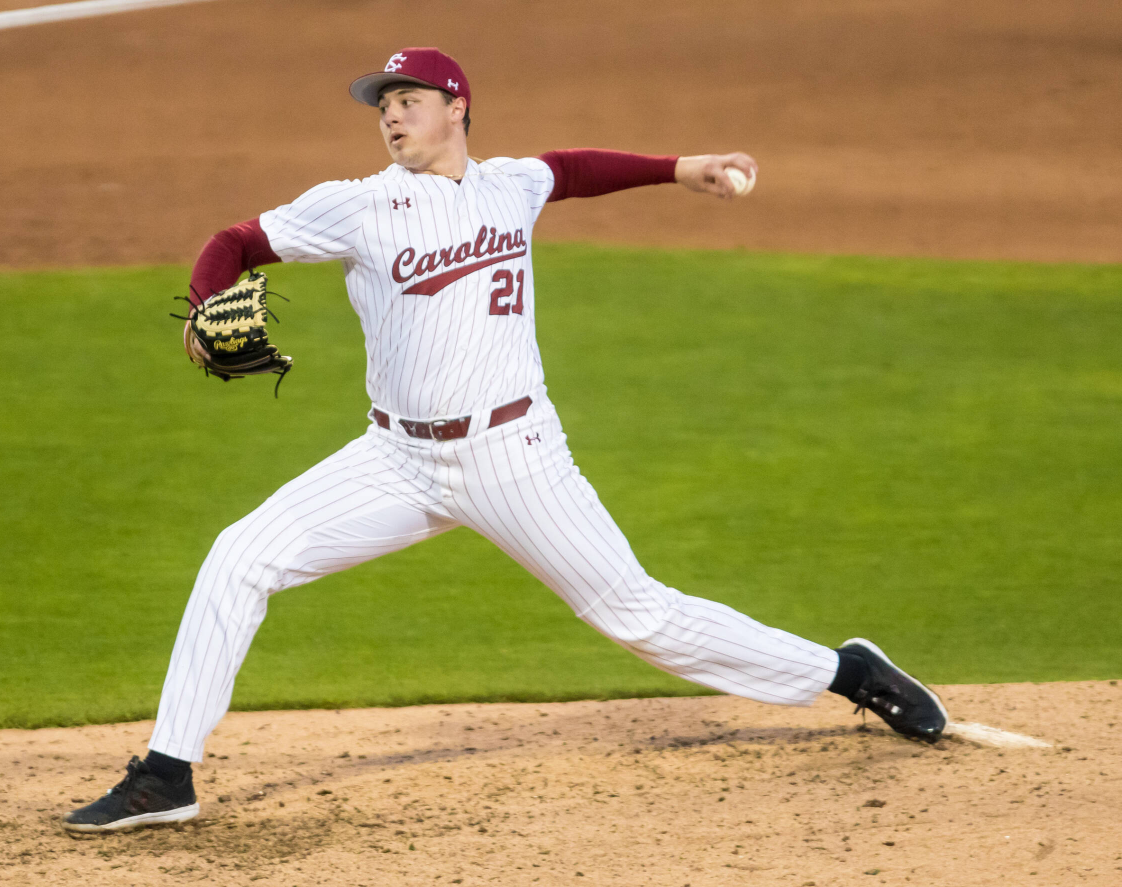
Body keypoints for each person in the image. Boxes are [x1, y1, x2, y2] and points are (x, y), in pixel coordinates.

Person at [61, 47, 947, 834]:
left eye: (408, 99)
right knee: (240, 554)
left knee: (641, 617)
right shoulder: (358, 207)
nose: (392, 115)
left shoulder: (509, 185)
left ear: (458, 109)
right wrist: (207, 295)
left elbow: (570, 169)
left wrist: (684, 168)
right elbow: (236, 240)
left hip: (514, 459)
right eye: (382, 105)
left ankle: (844, 671)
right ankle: (166, 774)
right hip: (396, 460)